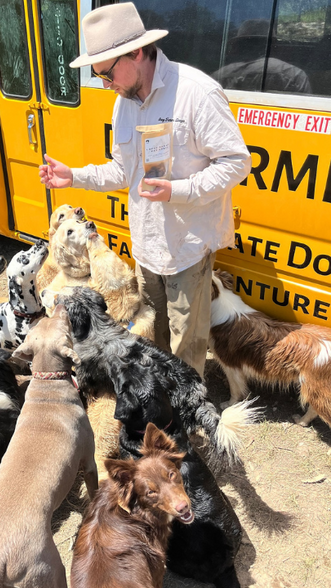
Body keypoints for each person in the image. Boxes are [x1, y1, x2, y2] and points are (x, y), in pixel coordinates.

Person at [39, 2, 250, 377]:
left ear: (136, 53)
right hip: (147, 246)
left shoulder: (197, 93)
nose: (105, 84)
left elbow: (236, 162)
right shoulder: (124, 104)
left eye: (107, 73)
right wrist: (74, 176)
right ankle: (159, 406)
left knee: (187, 344)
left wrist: (177, 190)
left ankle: (188, 423)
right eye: (98, 76)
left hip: (187, 247)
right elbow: (123, 171)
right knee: (152, 336)